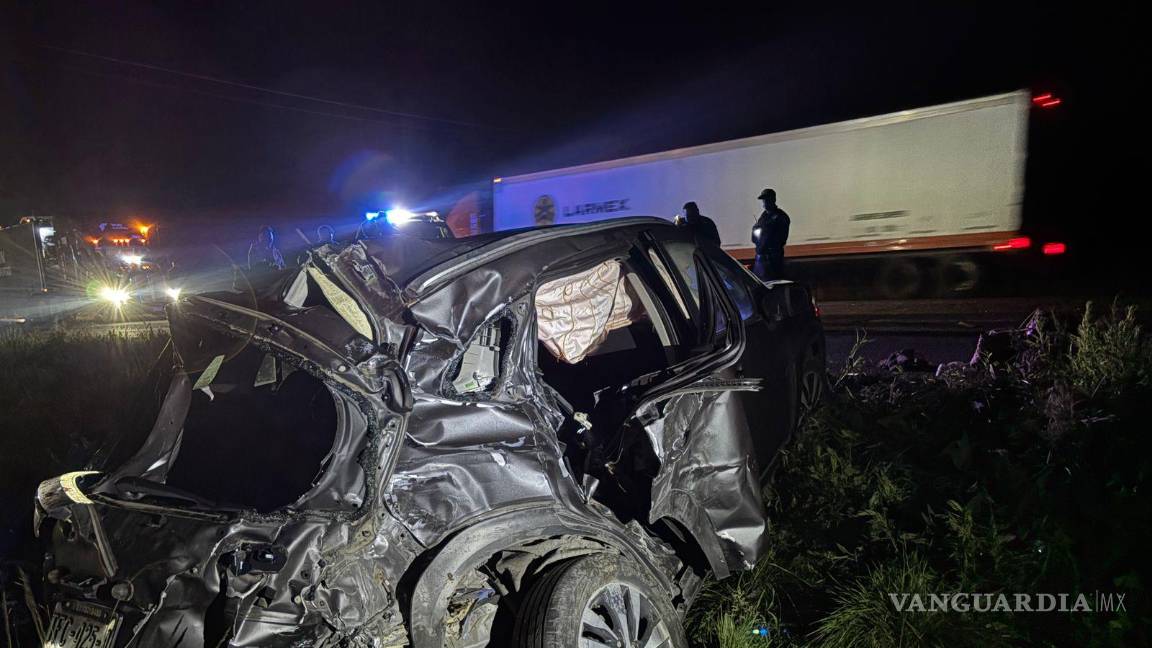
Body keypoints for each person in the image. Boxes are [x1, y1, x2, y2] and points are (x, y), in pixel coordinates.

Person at [751, 188, 790, 280]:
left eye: (767, 199)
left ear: (773, 200)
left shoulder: (781, 216)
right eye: (764, 200)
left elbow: (780, 238)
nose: (765, 202)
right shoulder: (763, 217)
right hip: (761, 259)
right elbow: (755, 237)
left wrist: (764, 235)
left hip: (773, 259)